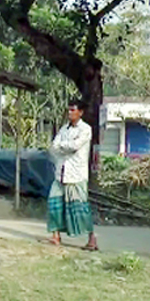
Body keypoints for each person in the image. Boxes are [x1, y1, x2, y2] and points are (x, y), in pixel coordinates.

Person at [47, 98, 98, 250]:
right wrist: (64, 147)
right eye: (69, 110)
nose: (70, 113)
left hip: (76, 175)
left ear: (80, 112)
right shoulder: (64, 130)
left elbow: (74, 146)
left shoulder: (85, 129)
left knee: (80, 208)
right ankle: (55, 235)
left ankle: (91, 239)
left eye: (73, 110)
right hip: (61, 173)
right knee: (54, 203)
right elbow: (54, 146)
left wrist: (63, 147)